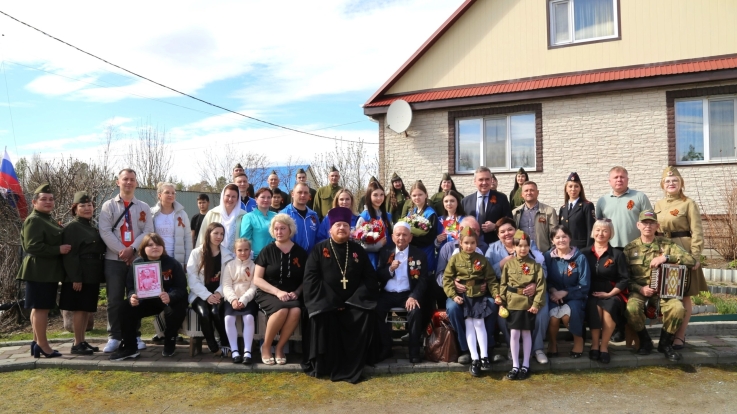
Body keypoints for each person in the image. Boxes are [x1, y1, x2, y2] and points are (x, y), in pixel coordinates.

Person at [303, 207, 379, 383]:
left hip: (354, 303)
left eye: (345, 225)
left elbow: (369, 278)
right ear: (330, 229)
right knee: (321, 316)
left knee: (365, 314)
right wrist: (333, 301)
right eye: (338, 225)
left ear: (350, 229)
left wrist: (352, 300)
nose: (342, 228)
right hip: (327, 303)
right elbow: (311, 279)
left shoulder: (358, 250)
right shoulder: (318, 250)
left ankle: (358, 360)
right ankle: (324, 364)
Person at [624, 209, 695, 361]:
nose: (648, 226)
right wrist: (640, 289)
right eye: (644, 223)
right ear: (638, 225)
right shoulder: (630, 249)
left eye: (651, 223)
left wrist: (666, 257)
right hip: (640, 291)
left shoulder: (667, 245)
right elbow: (624, 278)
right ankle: (645, 341)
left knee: (678, 308)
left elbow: (691, 260)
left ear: (657, 226)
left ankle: (665, 343)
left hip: (665, 291)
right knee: (631, 308)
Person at [99, 169, 154, 353]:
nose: (128, 182)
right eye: (125, 179)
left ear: (136, 183)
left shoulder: (144, 207)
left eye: (132, 179)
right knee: (114, 300)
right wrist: (123, 251)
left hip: (136, 260)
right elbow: (105, 231)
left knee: (136, 299)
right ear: (118, 182)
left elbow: (148, 231)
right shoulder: (108, 206)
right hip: (114, 260)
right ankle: (114, 336)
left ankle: (135, 335)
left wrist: (133, 249)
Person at [109, 233, 188, 360]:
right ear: (143, 248)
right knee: (125, 308)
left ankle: (170, 341)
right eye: (150, 245)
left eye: (158, 244)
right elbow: (131, 286)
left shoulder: (173, 263)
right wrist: (132, 297)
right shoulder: (137, 264)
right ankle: (130, 348)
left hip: (170, 299)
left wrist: (170, 296)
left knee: (175, 310)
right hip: (147, 300)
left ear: (163, 247)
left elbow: (181, 287)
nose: (155, 247)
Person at [654, 166, 707, 351]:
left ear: (681, 183)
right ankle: (668, 333)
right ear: (662, 184)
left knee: (684, 294)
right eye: (667, 181)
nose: (671, 183)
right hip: (664, 252)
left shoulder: (688, 203)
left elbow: (697, 231)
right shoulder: (658, 205)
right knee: (667, 293)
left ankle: (680, 335)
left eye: (675, 180)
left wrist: (695, 256)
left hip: (683, 251)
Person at [484, 217, 548, 365]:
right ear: (498, 235)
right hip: (508, 293)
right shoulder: (492, 249)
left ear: (516, 230)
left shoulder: (529, 244)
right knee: (503, 315)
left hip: (533, 292)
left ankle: (537, 349)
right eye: (502, 231)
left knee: (541, 312)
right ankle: (513, 348)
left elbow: (543, 270)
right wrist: (502, 263)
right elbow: (486, 274)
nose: (507, 233)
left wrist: (535, 284)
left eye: (510, 230)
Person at [18, 184, 69, 358]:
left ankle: (36, 342)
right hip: (39, 270)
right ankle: (43, 345)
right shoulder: (34, 220)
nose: (48, 202)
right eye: (43, 199)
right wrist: (58, 249)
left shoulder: (46, 218)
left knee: (39, 308)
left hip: (46, 271)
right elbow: (32, 246)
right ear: (34, 202)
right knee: (41, 309)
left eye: (51, 199)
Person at [434, 216, 494, 364]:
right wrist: (453, 288)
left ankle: (487, 348)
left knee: (492, 304)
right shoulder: (448, 249)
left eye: (476, 232)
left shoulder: (483, 249)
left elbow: (490, 275)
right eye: (470, 231)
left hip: (479, 293)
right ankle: (465, 349)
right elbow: (441, 275)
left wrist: (486, 285)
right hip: (457, 293)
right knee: (453, 308)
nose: (472, 234)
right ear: (460, 234)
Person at [444, 227, 500, 377]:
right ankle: (474, 358)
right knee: (469, 323)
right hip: (462, 296)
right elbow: (447, 279)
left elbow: (491, 279)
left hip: (478, 295)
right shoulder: (455, 259)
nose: (469, 246)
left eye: (472, 243)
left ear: (477, 243)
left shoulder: (481, 259)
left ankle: (484, 355)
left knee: (479, 323)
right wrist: (453, 295)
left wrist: (496, 294)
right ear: (460, 243)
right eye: (466, 243)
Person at [253, 214, 308, 365]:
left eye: (283, 228)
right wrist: (277, 292)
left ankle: (279, 348)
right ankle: (266, 346)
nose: (279, 232)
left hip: (292, 294)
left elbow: (306, 278)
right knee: (282, 310)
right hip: (269, 292)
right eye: (276, 229)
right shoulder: (267, 251)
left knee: (295, 311)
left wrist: (297, 292)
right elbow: (257, 279)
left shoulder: (300, 252)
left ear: (290, 229)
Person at [375, 222, 430, 363]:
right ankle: (386, 347)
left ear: (410, 237)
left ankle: (414, 351)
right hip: (387, 293)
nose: (401, 238)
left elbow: (423, 279)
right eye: (398, 235)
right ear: (393, 237)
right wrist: (390, 269)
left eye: (405, 235)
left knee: (415, 311)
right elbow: (379, 275)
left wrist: (414, 296)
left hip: (407, 294)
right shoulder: (385, 252)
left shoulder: (419, 254)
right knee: (375, 310)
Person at [60, 191, 106, 355]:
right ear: (75, 208)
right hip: (80, 275)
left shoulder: (89, 226)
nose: (87, 208)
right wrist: (76, 277)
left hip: (91, 274)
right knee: (79, 309)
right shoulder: (73, 227)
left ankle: (82, 340)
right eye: (82, 205)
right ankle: (77, 343)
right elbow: (71, 256)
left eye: (89, 205)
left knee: (86, 309)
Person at [500, 229, 545, 380]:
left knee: (526, 333)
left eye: (526, 245)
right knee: (514, 334)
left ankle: (525, 364)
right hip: (512, 303)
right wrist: (501, 302)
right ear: (514, 247)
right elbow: (503, 284)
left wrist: (536, 304)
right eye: (519, 246)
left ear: (529, 247)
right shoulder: (508, 265)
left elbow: (540, 287)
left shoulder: (535, 266)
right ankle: (515, 365)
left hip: (527, 304)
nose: (523, 249)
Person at [582, 219, 629, 364]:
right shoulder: (584, 253)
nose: (600, 233)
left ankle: (604, 347)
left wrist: (610, 294)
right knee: (594, 307)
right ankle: (595, 345)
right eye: (597, 230)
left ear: (610, 234)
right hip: (590, 293)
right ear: (593, 232)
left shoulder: (617, 254)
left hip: (612, 293)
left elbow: (624, 278)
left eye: (605, 231)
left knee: (609, 308)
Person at [187, 222, 234, 355]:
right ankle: (213, 347)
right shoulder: (196, 253)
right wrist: (207, 296)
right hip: (199, 294)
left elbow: (228, 279)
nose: (219, 236)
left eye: (222, 234)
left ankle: (226, 343)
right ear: (208, 234)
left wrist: (219, 293)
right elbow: (192, 279)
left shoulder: (227, 255)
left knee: (216, 312)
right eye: (216, 233)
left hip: (219, 294)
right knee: (205, 314)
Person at [545, 225, 590, 358]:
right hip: (553, 296)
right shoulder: (547, 257)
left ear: (570, 238)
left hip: (575, 295)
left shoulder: (580, 258)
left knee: (567, 315)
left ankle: (578, 341)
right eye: (557, 237)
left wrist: (565, 292)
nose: (561, 240)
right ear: (552, 240)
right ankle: (552, 344)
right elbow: (544, 279)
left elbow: (584, 284)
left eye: (564, 236)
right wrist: (553, 290)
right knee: (553, 317)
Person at [596, 166, 653, 249]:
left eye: (622, 177)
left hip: (636, 247)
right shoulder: (602, 201)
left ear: (627, 180)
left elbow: (650, 221)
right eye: (616, 177)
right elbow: (598, 226)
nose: (619, 180)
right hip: (610, 248)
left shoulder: (640, 197)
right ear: (610, 181)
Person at [222, 238, 257, 364]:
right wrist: (233, 300)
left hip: (248, 299)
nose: (243, 253)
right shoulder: (229, 266)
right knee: (228, 319)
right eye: (240, 250)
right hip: (232, 299)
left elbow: (254, 286)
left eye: (246, 249)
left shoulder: (254, 266)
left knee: (249, 318)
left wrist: (244, 300)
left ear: (250, 250)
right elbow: (226, 285)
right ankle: (235, 350)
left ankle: (247, 351)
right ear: (235, 251)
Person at [462, 166, 512, 244]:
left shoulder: (501, 198)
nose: (484, 182)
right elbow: (461, 223)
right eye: (481, 180)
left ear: (491, 180)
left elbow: (509, 221)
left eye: (487, 179)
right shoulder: (466, 201)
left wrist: (496, 226)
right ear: (475, 181)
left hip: (494, 243)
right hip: (471, 245)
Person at [151, 182, 192, 267]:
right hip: (156, 258)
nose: (170, 195)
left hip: (177, 260)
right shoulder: (152, 213)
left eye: (173, 193)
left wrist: (188, 260)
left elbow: (188, 237)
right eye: (167, 192)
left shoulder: (182, 214)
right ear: (159, 195)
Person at [196, 184, 245, 252]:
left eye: (234, 196)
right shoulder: (212, 213)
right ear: (223, 196)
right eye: (228, 196)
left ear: (238, 198)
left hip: (235, 256)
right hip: (213, 255)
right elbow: (202, 236)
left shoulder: (244, 215)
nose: (230, 199)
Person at [512, 181, 558, 253]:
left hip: (543, 253)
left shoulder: (549, 211)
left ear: (537, 192)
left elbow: (554, 234)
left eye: (532, 190)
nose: (529, 193)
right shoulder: (515, 213)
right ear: (522, 194)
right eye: (526, 191)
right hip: (523, 253)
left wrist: (552, 252)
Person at [356, 181, 393, 269]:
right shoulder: (364, 217)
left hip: (387, 258)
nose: (379, 198)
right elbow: (358, 243)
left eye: (381, 195)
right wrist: (378, 245)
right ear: (369, 196)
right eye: (375, 195)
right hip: (371, 260)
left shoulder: (387, 216)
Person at [403, 180, 438, 275]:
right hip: (412, 251)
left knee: (424, 275)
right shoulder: (411, 212)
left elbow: (430, 238)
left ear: (426, 195)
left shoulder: (431, 214)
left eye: (420, 195)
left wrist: (410, 239)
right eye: (414, 195)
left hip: (425, 251)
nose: (417, 197)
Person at [558, 172, 595, 249]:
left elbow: (591, 230)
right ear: (566, 189)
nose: (573, 189)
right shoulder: (563, 208)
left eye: (576, 186)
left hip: (581, 248)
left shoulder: (587, 206)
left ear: (580, 189)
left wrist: (589, 250)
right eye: (570, 186)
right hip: (565, 248)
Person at [280, 183, 319, 254]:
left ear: (309, 196)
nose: (303, 195)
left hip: (311, 257)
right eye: (300, 192)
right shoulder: (284, 214)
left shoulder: (313, 215)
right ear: (292, 194)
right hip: (291, 256)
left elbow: (318, 237)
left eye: (306, 193)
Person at [239, 188, 277, 259]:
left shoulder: (276, 215)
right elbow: (245, 240)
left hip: (275, 256)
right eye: (263, 197)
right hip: (257, 258)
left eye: (269, 197)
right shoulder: (248, 217)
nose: (266, 200)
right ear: (256, 199)